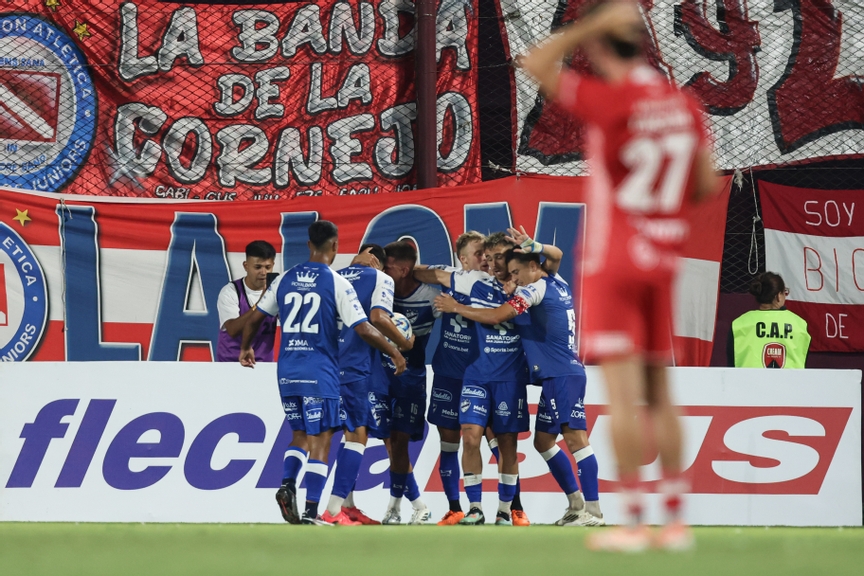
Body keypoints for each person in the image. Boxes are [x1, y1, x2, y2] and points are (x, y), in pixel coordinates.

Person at [521, 0, 719, 551]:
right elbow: (705, 183)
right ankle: (675, 522)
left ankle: (633, 521)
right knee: (662, 394)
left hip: (616, 261)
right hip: (664, 257)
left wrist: (586, 25)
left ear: (605, 49)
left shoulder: (612, 101)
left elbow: (536, 62)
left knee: (625, 395)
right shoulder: (683, 106)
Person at [239, 221, 406, 525]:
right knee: (322, 438)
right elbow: (364, 327)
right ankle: (311, 511)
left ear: (308, 245)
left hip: (287, 369)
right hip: (321, 370)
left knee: (299, 434)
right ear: (335, 247)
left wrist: (245, 348)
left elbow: (253, 319)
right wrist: (394, 351)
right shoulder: (337, 282)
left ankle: (288, 485)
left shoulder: (285, 278)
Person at [434, 246, 604, 527]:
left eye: (517, 271)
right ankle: (575, 503)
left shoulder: (534, 289)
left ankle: (594, 512)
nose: (516, 278)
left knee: (576, 440)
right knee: (544, 442)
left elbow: (497, 316)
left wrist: (457, 308)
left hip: (562, 373)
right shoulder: (556, 281)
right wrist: (536, 247)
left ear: (533, 266)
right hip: (553, 376)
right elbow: (557, 255)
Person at [418, 232, 533, 526]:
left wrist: (532, 247)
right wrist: (396, 267)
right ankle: (474, 507)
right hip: (475, 375)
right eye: (486, 256)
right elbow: (434, 274)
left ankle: (507, 510)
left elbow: (548, 264)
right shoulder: (472, 281)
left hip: (510, 377)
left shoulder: (530, 286)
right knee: (469, 435)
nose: (490, 262)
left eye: (497, 257)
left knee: (506, 444)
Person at [323, 244, 415, 525]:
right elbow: (378, 318)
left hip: (326, 365)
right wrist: (402, 345)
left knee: (336, 435)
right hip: (355, 367)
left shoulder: (333, 276)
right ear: (377, 261)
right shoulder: (380, 278)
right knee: (358, 435)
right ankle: (333, 510)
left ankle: (347, 506)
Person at [423, 231, 484, 525]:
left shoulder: (492, 284)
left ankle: (494, 507)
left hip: (480, 375)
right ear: (462, 259)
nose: (484, 258)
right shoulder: (450, 277)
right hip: (447, 373)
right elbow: (422, 272)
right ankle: (454, 506)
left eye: (487, 253)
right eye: (478, 253)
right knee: (448, 442)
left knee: (487, 440)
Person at [379, 240, 440, 525]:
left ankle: (397, 507)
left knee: (399, 441)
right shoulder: (381, 291)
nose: (382, 269)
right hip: (380, 373)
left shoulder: (430, 297)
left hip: (412, 375)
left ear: (403, 270)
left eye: (388, 266)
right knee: (388, 440)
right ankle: (415, 505)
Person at [728, 272, 810, 368]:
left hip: (749, 382)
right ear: (779, 296)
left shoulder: (739, 324)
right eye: (785, 292)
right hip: (790, 382)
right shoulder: (799, 324)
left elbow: (731, 364)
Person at [216, 240, 277, 363]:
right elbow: (233, 330)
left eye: (268, 267)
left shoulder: (277, 291)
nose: (263, 272)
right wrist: (261, 303)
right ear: (246, 266)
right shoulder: (230, 291)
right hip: (231, 362)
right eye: (258, 267)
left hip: (263, 363)